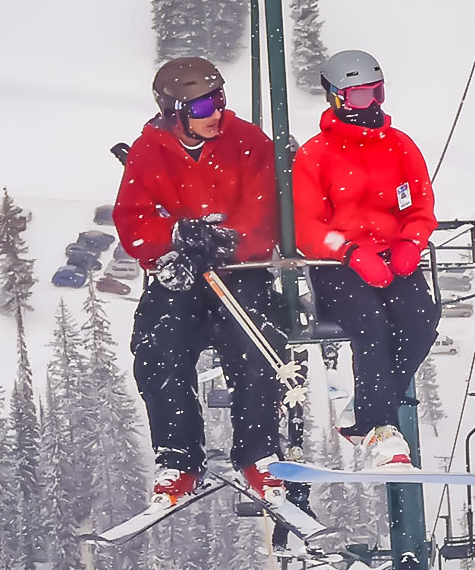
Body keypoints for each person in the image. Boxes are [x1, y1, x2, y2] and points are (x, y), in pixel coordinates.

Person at [114, 57, 289, 507]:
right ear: (174, 112)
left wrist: (225, 240)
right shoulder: (149, 152)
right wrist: (169, 242)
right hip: (182, 270)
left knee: (256, 344)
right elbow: (133, 220)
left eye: (219, 101)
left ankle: (258, 451)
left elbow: (265, 209)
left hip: (238, 270)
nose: (215, 113)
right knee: (158, 347)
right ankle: (179, 457)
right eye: (202, 106)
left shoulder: (247, 142)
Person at [292, 49, 440, 467]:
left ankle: (365, 411)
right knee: (371, 325)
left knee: (420, 320)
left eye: (377, 93)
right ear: (336, 98)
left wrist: (411, 242)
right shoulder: (316, 155)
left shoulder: (399, 146)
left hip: (392, 257)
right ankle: (379, 427)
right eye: (360, 97)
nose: (372, 105)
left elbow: (420, 206)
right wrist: (350, 251)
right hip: (339, 267)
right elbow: (308, 227)